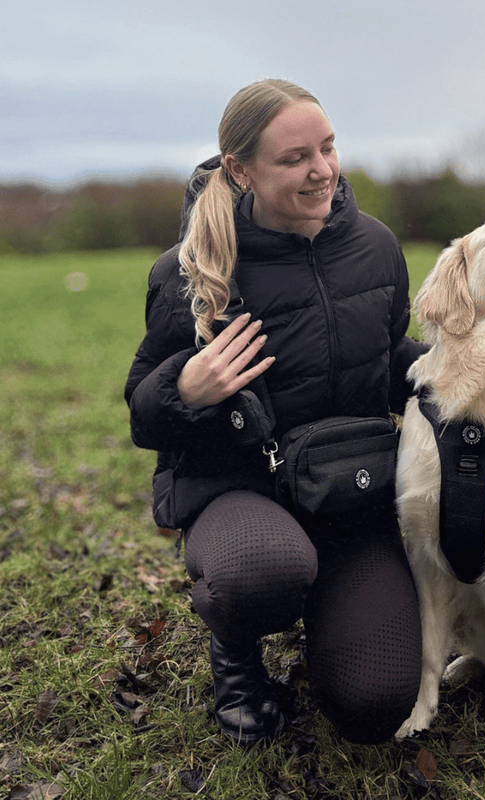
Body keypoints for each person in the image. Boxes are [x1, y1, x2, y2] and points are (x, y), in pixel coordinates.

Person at [124, 79, 426, 746]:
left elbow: (386, 358)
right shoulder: (191, 270)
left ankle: (335, 612)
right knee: (259, 568)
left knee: (376, 702)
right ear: (241, 170)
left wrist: (462, 379)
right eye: (295, 159)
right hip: (239, 496)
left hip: (350, 493)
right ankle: (237, 656)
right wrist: (187, 388)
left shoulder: (374, 247)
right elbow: (143, 413)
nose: (321, 170)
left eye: (328, 148)